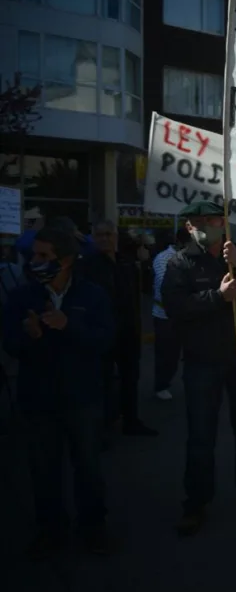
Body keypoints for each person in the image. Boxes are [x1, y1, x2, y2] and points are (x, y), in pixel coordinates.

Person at [161, 201, 236, 536]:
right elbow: (175, 308)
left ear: (224, 223)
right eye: (197, 221)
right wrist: (217, 296)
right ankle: (196, 503)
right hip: (202, 361)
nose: (205, 226)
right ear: (188, 227)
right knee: (201, 436)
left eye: (211, 220)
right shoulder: (180, 262)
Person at [3, 227, 114, 557]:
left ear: (66, 261)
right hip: (39, 400)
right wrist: (29, 335)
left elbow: (105, 341)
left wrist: (69, 325)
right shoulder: (23, 297)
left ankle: (93, 527)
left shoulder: (92, 295)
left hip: (83, 398)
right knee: (43, 471)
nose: (35, 262)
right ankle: (50, 529)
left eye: (44, 256)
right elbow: (9, 343)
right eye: (34, 255)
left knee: (88, 467)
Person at [81, 220, 157, 437]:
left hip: (128, 331)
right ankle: (102, 428)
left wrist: (145, 264)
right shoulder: (87, 265)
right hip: (102, 332)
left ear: (115, 236)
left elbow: (144, 289)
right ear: (94, 238)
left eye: (109, 234)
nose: (105, 239)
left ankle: (131, 421)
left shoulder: (126, 262)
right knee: (102, 382)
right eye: (100, 235)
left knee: (130, 378)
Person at [152, 228, 192, 400]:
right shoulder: (163, 258)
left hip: (189, 315)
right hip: (165, 316)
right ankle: (161, 385)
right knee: (168, 355)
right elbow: (165, 289)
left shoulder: (194, 258)